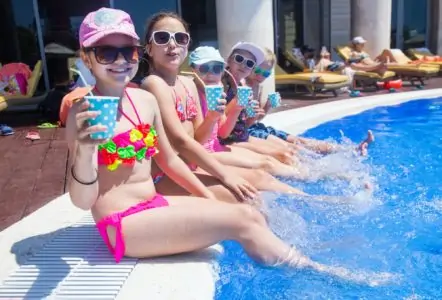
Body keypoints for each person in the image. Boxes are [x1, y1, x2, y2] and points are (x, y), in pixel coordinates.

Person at [65, 8, 395, 285]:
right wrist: (82, 150)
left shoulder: (144, 100)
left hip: (155, 203)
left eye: (128, 51)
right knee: (241, 219)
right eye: (107, 52)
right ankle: (326, 275)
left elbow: (169, 161)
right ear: (87, 58)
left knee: (246, 210)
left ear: (137, 53)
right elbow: (82, 201)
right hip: (121, 224)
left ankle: (299, 256)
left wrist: (208, 197)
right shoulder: (85, 112)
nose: (120, 60)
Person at [140, 13, 305, 202]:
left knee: (262, 177)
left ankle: (317, 200)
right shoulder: (153, 84)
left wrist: (211, 118)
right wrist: (226, 175)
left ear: (187, 45)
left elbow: (199, 139)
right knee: (247, 198)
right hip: (168, 175)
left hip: (193, 164)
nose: (172, 44)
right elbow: (180, 142)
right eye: (162, 38)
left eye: (180, 38)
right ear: (149, 49)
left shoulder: (188, 84)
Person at [188, 46, 305, 179]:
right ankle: (312, 179)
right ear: (229, 61)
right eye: (204, 68)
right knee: (275, 159)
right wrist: (233, 107)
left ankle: (312, 175)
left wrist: (260, 109)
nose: (211, 74)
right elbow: (213, 136)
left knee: (287, 152)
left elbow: (234, 125)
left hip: (237, 135)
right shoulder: (221, 87)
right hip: (229, 141)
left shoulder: (243, 87)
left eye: (216, 68)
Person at [245, 47, 375, 156]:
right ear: (250, 66)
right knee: (293, 148)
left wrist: (267, 106)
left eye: (266, 74)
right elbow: (243, 123)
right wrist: (254, 114)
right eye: (258, 71)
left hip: (255, 127)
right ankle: (328, 170)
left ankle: (352, 150)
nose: (260, 76)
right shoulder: (243, 87)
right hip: (247, 132)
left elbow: (256, 118)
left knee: (299, 140)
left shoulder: (258, 87)